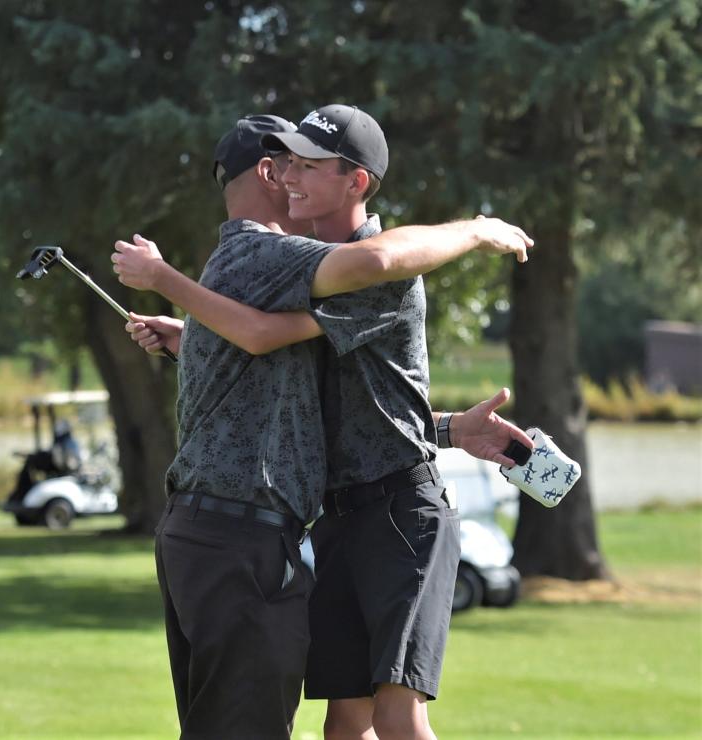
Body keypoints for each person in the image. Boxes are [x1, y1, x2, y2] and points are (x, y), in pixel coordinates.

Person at [115, 104, 534, 740]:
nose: (295, 178)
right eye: (291, 164)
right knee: (323, 722)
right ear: (266, 171)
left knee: (367, 719)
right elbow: (269, 331)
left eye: (311, 165)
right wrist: (201, 325)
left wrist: (446, 430)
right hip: (277, 533)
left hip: (343, 519)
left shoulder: (316, 273)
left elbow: (299, 366)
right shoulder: (274, 258)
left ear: (354, 180)